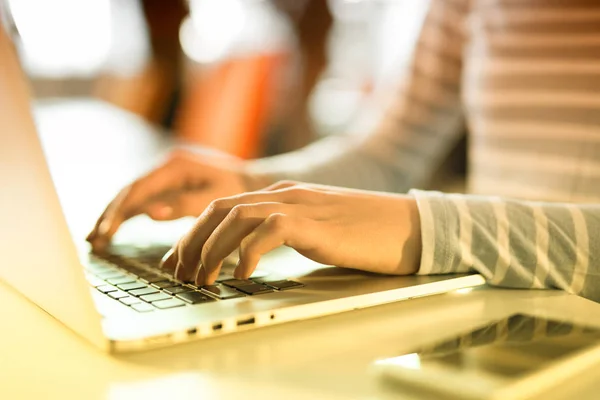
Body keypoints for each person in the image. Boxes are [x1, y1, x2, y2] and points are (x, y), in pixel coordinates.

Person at [87, 0, 600, 302]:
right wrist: (252, 184)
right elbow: (389, 153)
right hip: (504, 310)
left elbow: (428, 219)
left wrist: (429, 229)